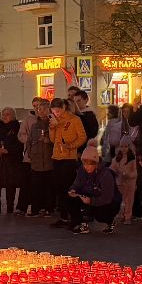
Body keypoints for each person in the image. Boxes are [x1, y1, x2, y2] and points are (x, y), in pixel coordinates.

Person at [48, 97, 87, 228]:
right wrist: (52, 127)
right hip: (57, 157)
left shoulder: (74, 120)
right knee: (59, 189)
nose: (56, 114)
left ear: (63, 108)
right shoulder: (55, 120)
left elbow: (82, 137)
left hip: (69, 158)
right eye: (54, 111)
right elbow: (53, 140)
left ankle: (76, 218)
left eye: (58, 111)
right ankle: (64, 216)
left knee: (69, 189)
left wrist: (70, 146)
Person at [64, 146, 121, 234]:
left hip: (109, 202)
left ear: (96, 163)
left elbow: (107, 198)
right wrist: (72, 190)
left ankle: (110, 221)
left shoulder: (106, 175)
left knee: (100, 215)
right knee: (69, 199)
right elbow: (76, 184)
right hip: (90, 196)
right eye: (84, 164)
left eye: (90, 164)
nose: (87, 167)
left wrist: (91, 201)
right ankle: (81, 223)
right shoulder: (82, 170)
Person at [0, 107, 25, 215]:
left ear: (13, 116)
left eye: (7, 114)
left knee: (10, 184)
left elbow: (19, 145)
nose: (4, 116)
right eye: (3, 114)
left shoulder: (17, 129)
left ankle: (10, 206)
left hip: (11, 161)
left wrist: (7, 150)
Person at [22, 99, 53, 217]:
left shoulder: (52, 124)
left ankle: (48, 208)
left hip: (49, 160)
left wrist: (49, 141)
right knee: (35, 186)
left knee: (48, 187)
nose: (41, 111)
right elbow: (29, 142)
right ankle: (36, 208)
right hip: (36, 160)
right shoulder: (35, 125)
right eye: (39, 109)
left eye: (44, 109)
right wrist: (30, 154)